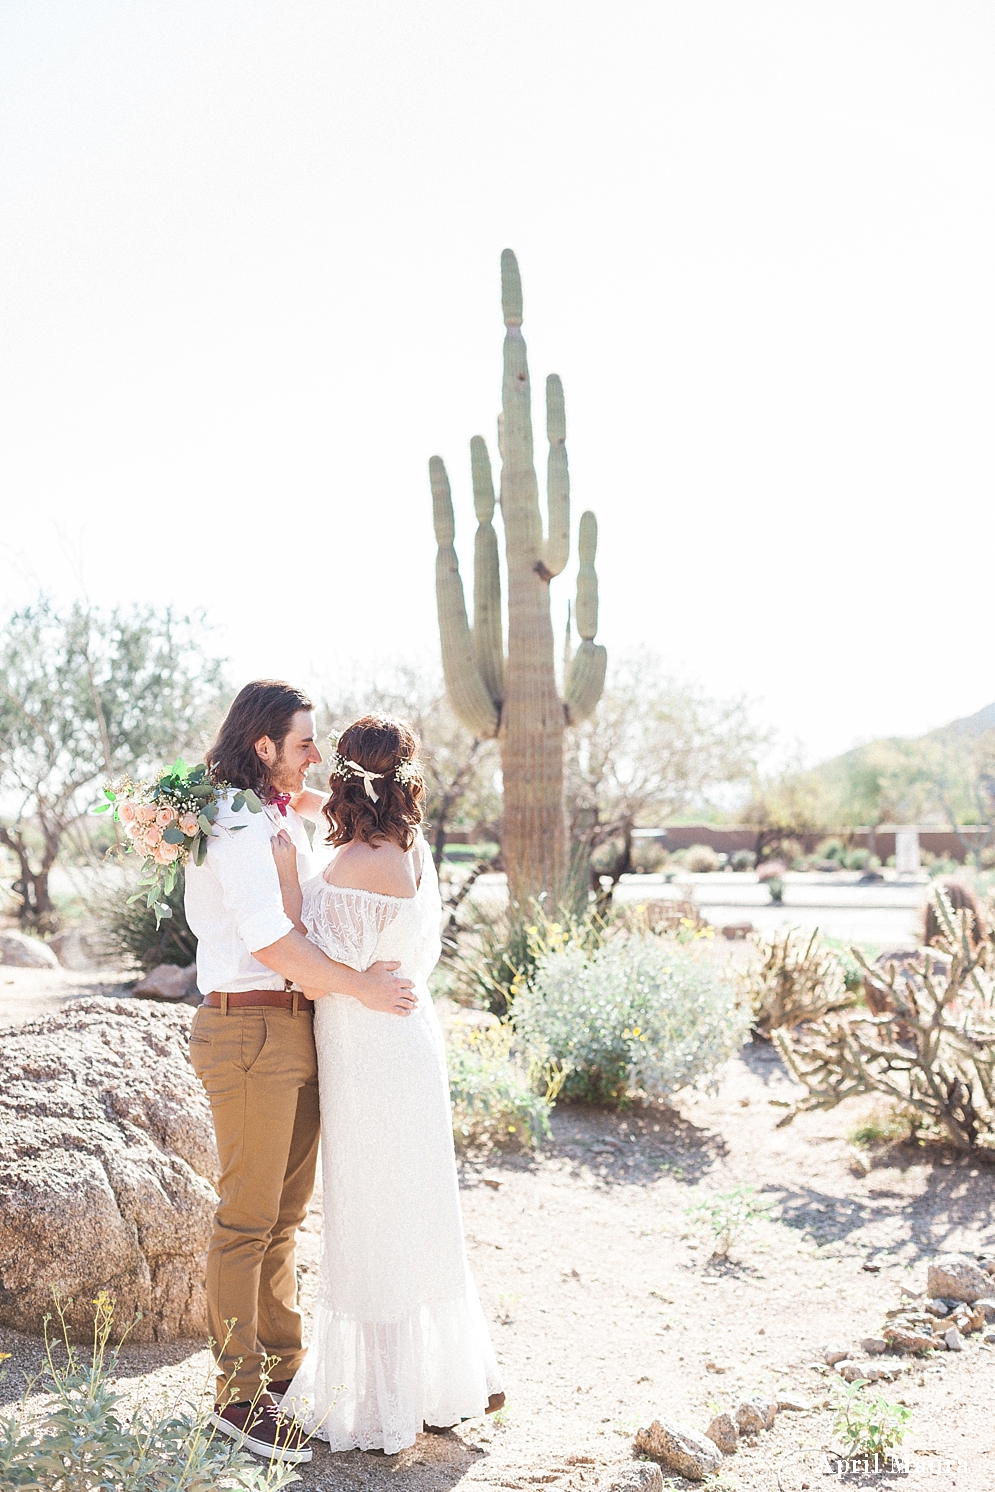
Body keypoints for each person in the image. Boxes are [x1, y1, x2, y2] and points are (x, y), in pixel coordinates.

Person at [185, 681, 417, 1467]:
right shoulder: (239, 824)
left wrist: (354, 784)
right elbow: (272, 944)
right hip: (248, 1026)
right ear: (263, 748)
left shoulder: (269, 808)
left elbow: (318, 800)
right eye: (304, 743)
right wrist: (362, 987)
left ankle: (282, 1377)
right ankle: (236, 1397)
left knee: (283, 1219)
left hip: (292, 1028)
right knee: (246, 1221)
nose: (314, 756)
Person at [271, 714, 504, 1454]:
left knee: (375, 1216)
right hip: (400, 1042)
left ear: (349, 778)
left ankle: (386, 1404)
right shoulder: (402, 841)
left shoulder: (354, 862)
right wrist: (288, 803)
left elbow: (304, 949)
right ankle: (431, 1385)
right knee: (408, 1210)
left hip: (370, 1052)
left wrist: (282, 863)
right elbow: (324, 815)